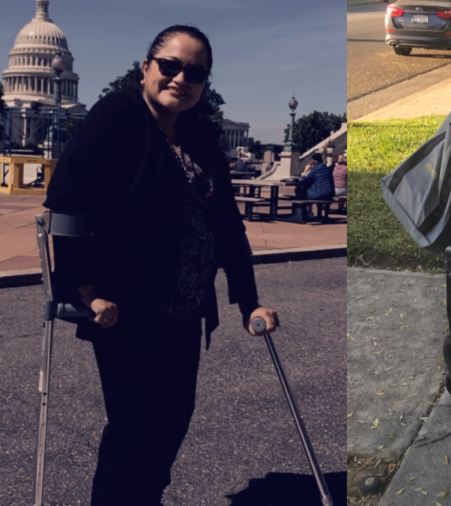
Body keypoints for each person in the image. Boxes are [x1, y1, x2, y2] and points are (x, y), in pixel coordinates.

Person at [43, 25, 278, 506]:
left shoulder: (199, 133)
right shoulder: (119, 116)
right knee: (133, 427)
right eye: (170, 66)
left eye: (195, 72)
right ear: (147, 67)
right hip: (125, 307)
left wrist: (248, 300)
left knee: (173, 419)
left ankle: (146, 498)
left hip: (185, 307)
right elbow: (66, 203)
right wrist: (86, 291)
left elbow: (228, 223)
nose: (180, 78)